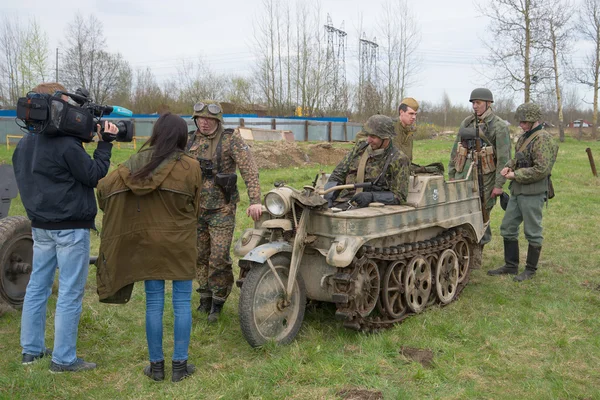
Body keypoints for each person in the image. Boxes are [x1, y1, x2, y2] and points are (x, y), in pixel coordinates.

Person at [13, 82, 118, 372]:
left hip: (40, 226)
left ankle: (31, 351)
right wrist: (105, 144)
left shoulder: (25, 143)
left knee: (37, 287)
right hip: (70, 227)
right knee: (70, 291)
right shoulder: (65, 144)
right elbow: (94, 175)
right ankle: (63, 359)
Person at [96, 112, 202, 382]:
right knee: (181, 304)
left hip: (147, 243)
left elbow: (103, 191)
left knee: (154, 304)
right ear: (181, 136)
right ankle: (180, 366)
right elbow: (197, 206)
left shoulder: (134, 163)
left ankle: (156, 367)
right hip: (181, 242)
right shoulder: (191, 165)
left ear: (156, 133)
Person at [187, 100, 262, 323]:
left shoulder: (230, 139)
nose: (205, 123)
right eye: (200, 119)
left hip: (222, 208)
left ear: (217, 121)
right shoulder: (190, 139)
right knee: (200, 255)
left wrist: (255, 200)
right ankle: (205, 295)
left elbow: (249, 169)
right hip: (196, 208)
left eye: (209, 119)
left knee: (218, 257)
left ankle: (219, 300)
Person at [488, 103, 558, 282]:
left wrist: (515, 174)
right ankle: (511, 266)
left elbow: (541, 169)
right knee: (508, 228)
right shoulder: (525, 137)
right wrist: (508, 167)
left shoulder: (543, 139)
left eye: (524, 121)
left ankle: (530, 270)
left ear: (533, 119)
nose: (520, 124)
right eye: (520, 121)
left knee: (532, 231)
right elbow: (519, 156)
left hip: (533, 192)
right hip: (518, 191)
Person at [448, 88, 511, 246]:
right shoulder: (467, 123)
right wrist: (452, 173)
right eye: (473, 103)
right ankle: (463, 246)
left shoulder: (499, 126)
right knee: (461, 210)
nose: (475, 106)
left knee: (482, 213)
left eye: (478, 103)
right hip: (464, 174)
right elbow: (456, 150)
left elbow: (504, 158)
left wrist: (498, 185)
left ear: (488, 103)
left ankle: (479, 248)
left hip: (486, 177)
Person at [324, 114, 410, 209]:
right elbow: (338, 173)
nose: (368, 140)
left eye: (373, 137)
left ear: (386, 138)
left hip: (371, 207)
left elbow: (400, 196)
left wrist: (372, 197)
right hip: (345, 201)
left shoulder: (399, 159)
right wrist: (329, 196)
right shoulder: (360, 147)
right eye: (368, 135)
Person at [393, 97, 419, 162]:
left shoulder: (409, 131)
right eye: (411, 113)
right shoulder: (391, 128)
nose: (414, 117)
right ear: (401, 112)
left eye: (415, 114)